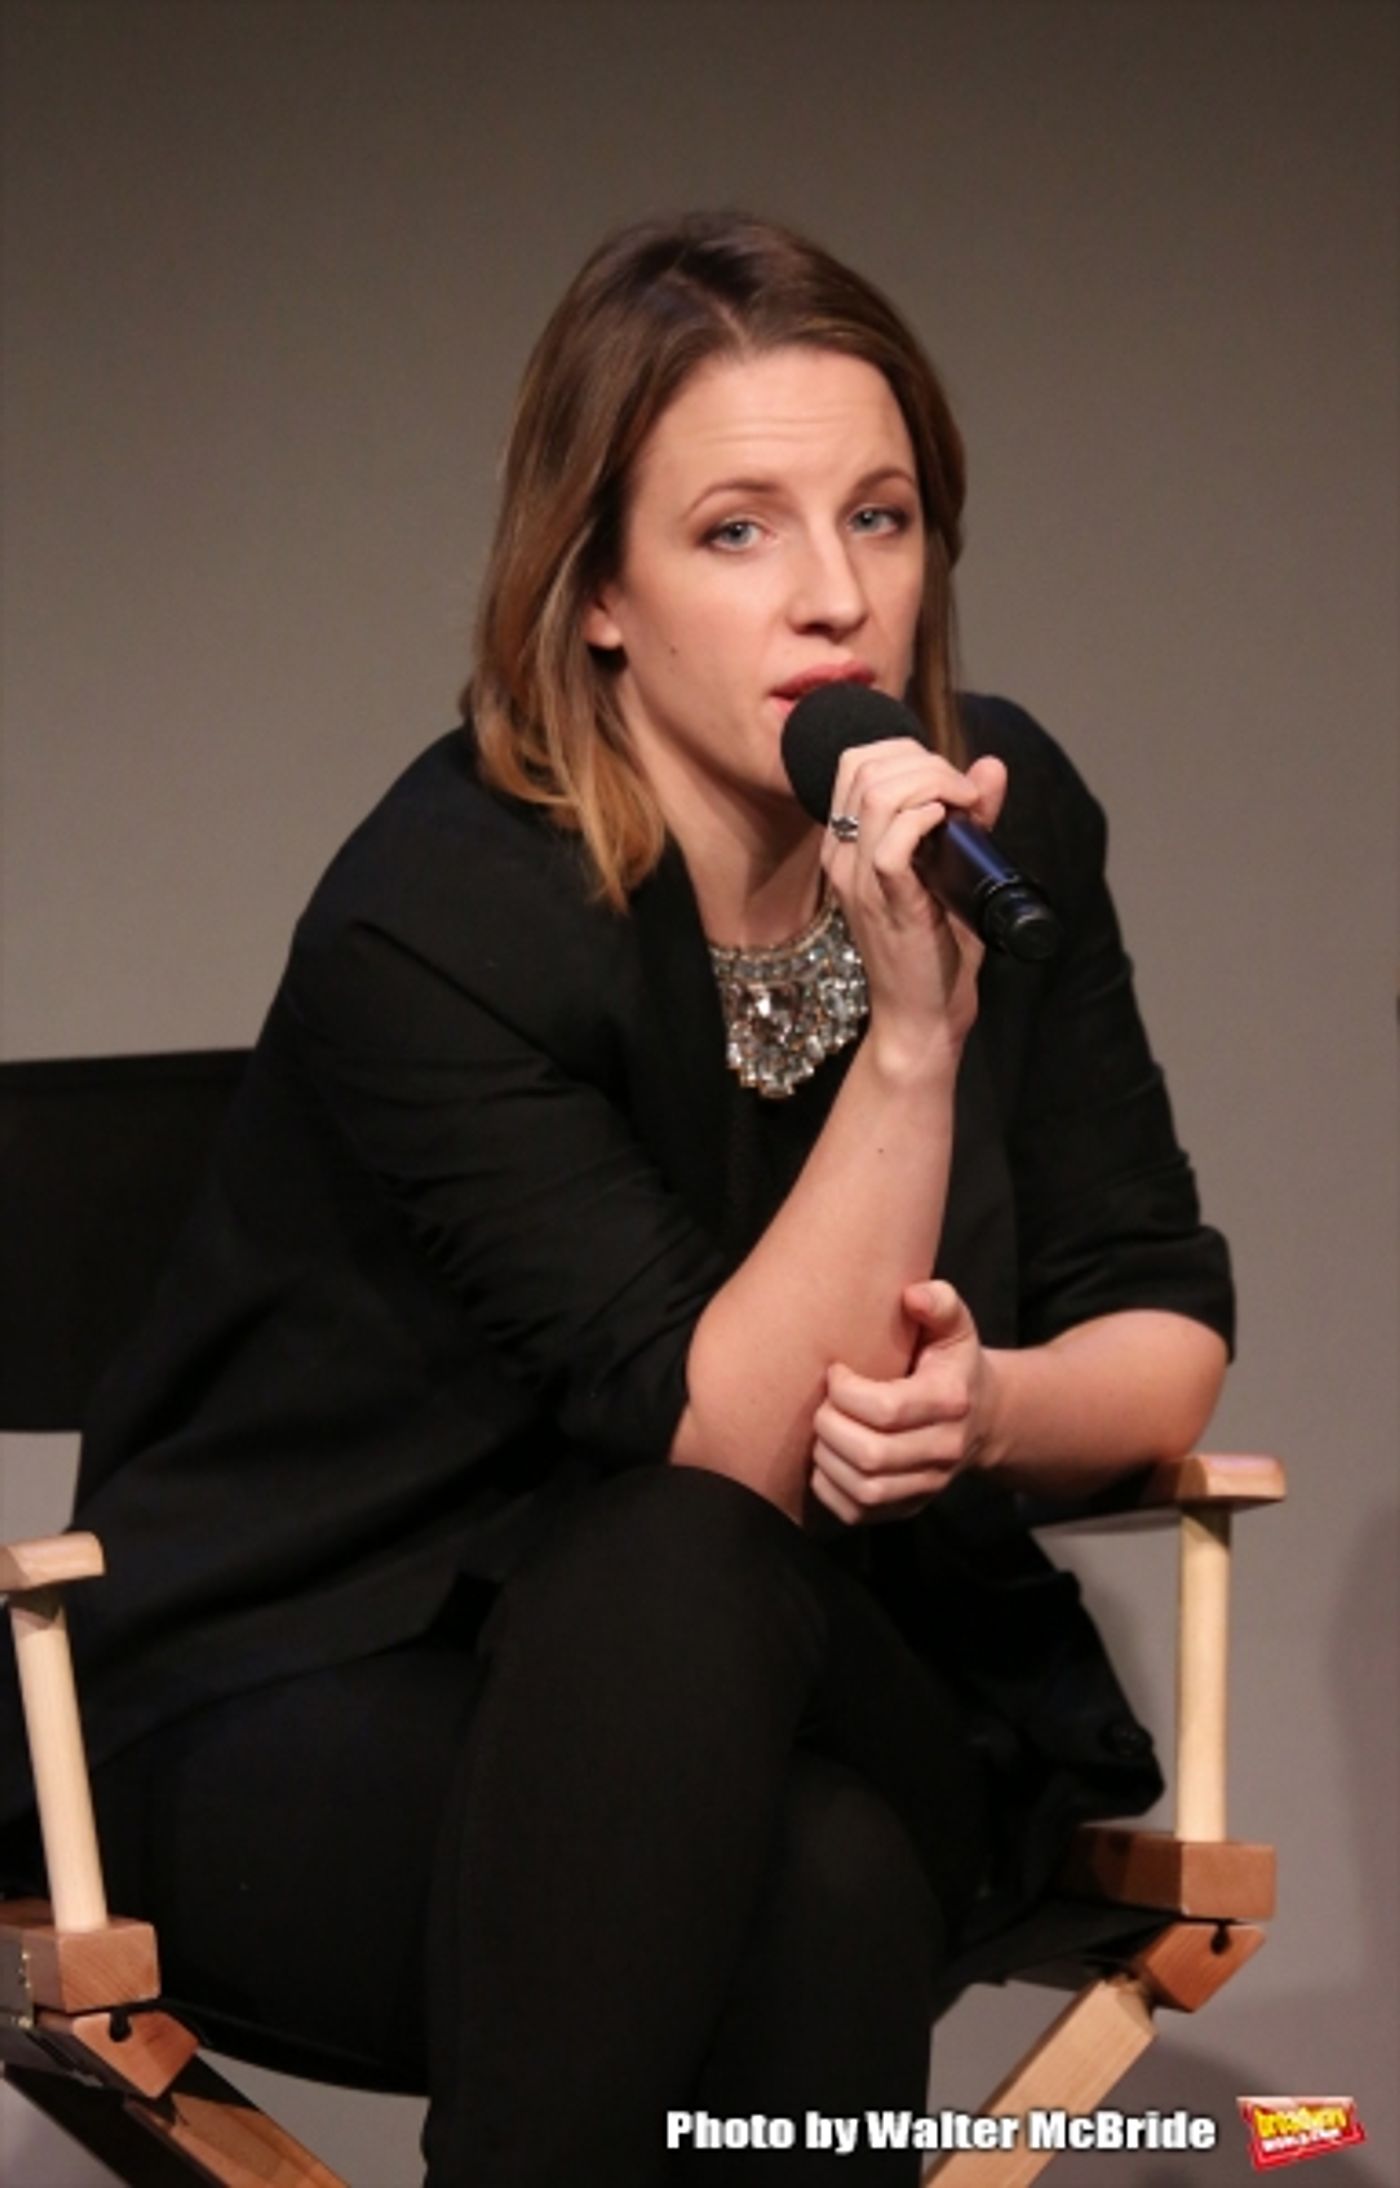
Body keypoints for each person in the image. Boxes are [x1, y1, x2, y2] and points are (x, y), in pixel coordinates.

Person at [0, 212, 1233, 2184]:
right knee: (803, 1853)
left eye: (884, 515)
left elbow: (1155, 1321)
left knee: (746, 1693)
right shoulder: (446, 910)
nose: (833, 597)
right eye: (736, 529)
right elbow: (730, 1439)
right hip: (311, 1689)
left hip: (841, 1652)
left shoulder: (1014, 818)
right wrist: (911, 1041)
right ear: (593, 588)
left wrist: (986, 1408)